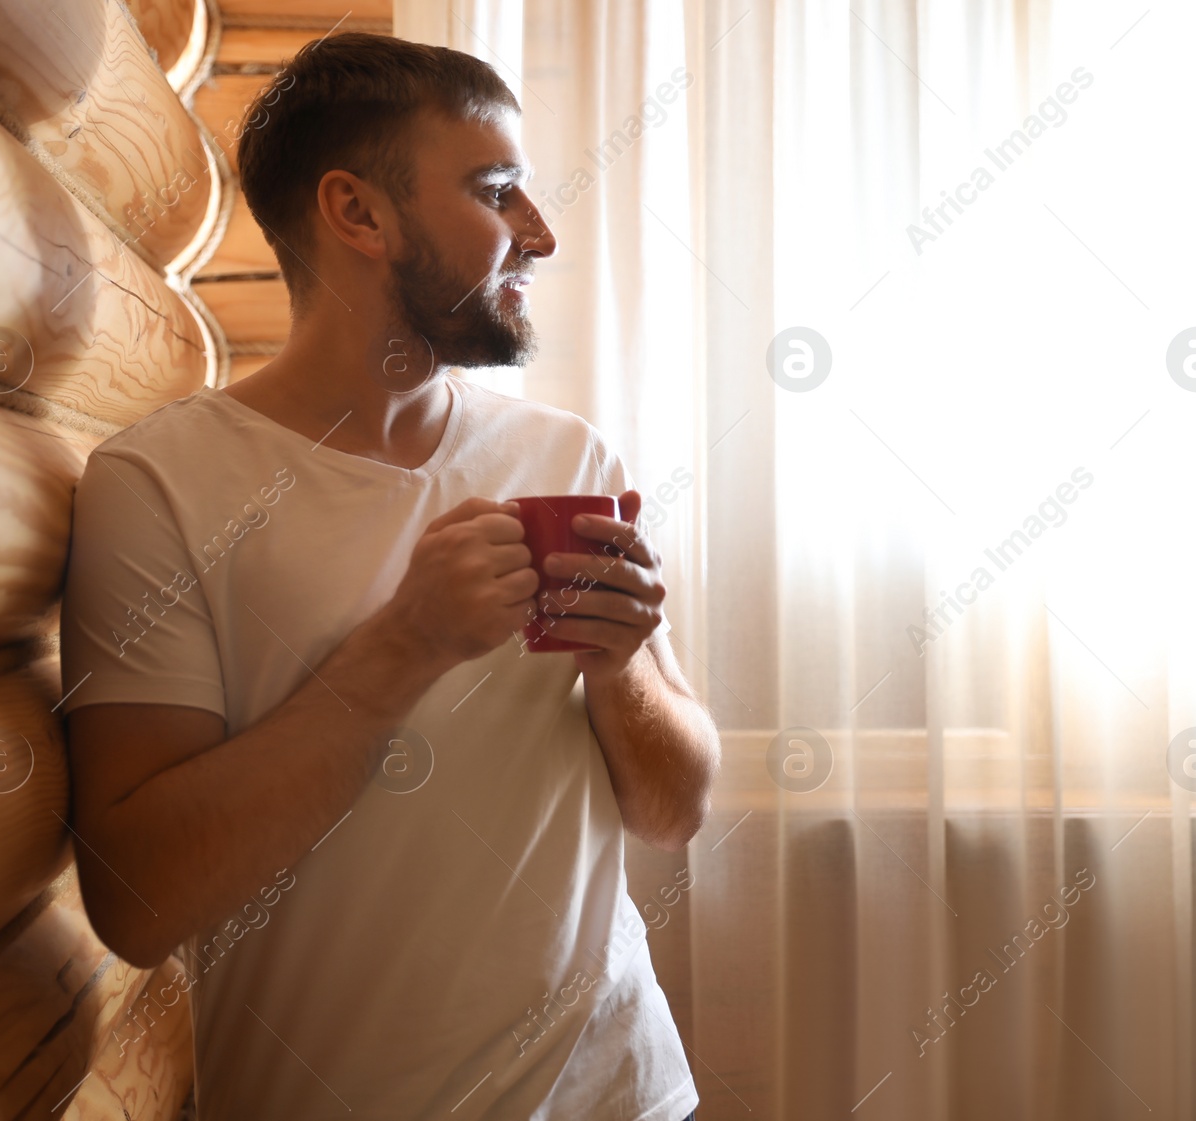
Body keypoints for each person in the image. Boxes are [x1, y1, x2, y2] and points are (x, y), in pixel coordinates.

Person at [58, 31, 720, 1121]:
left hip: (622, 1092)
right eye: (498, 191)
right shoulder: (157, 483)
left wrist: (620, 670)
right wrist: (403, 643)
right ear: (357, 214)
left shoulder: (570, 460)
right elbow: (136, 897)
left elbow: (673, 806)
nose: (540, 234)